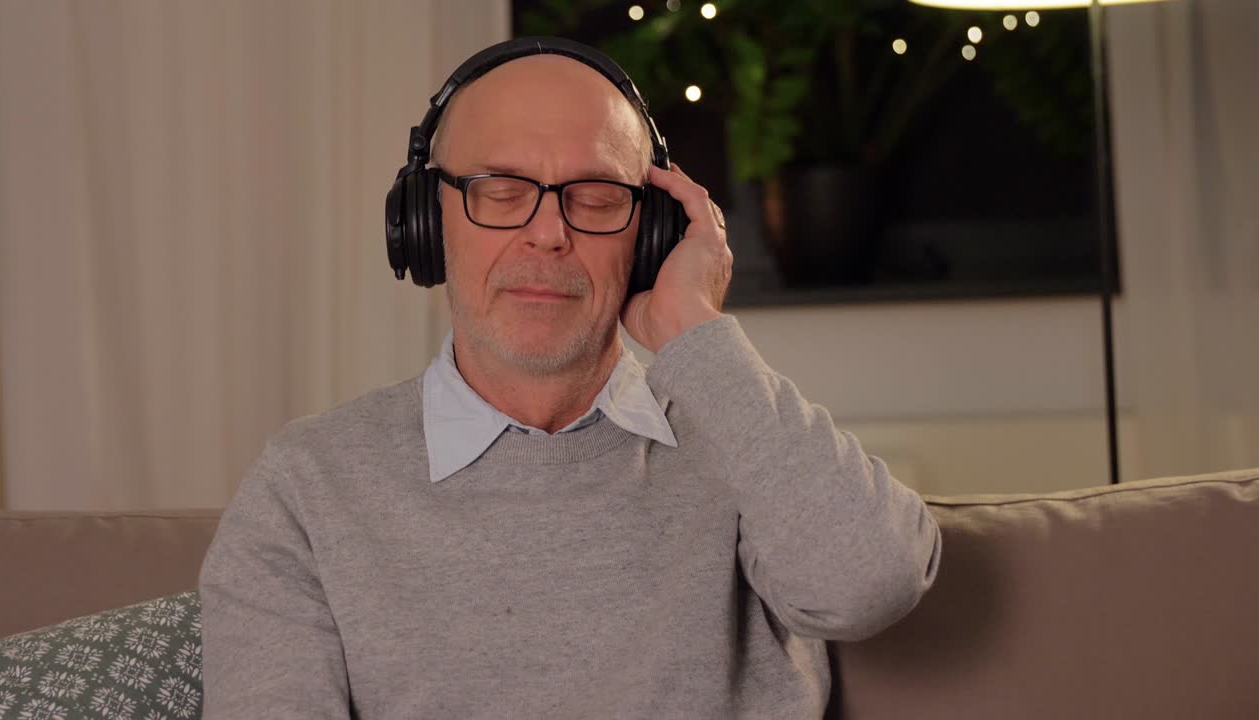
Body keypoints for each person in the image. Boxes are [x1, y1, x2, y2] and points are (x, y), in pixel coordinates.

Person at [199, 38, 941, 719]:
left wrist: (699, 338)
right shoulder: (305, 484)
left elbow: (870, 584)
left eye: (596, 196)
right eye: (500, 188)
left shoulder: (741, 439)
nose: (548, 233)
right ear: (427, 221)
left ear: (649, 237)